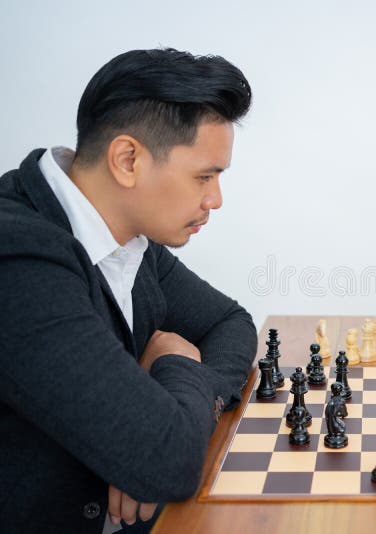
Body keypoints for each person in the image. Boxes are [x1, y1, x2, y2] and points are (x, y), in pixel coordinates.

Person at [0, 49, 258, 533]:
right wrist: (174, 364)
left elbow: (231, 323)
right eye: (204, 176)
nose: (214, 199)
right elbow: (169, 463)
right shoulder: (17, 260)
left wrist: (160, 403)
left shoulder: (129, 238)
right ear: (127, 159)